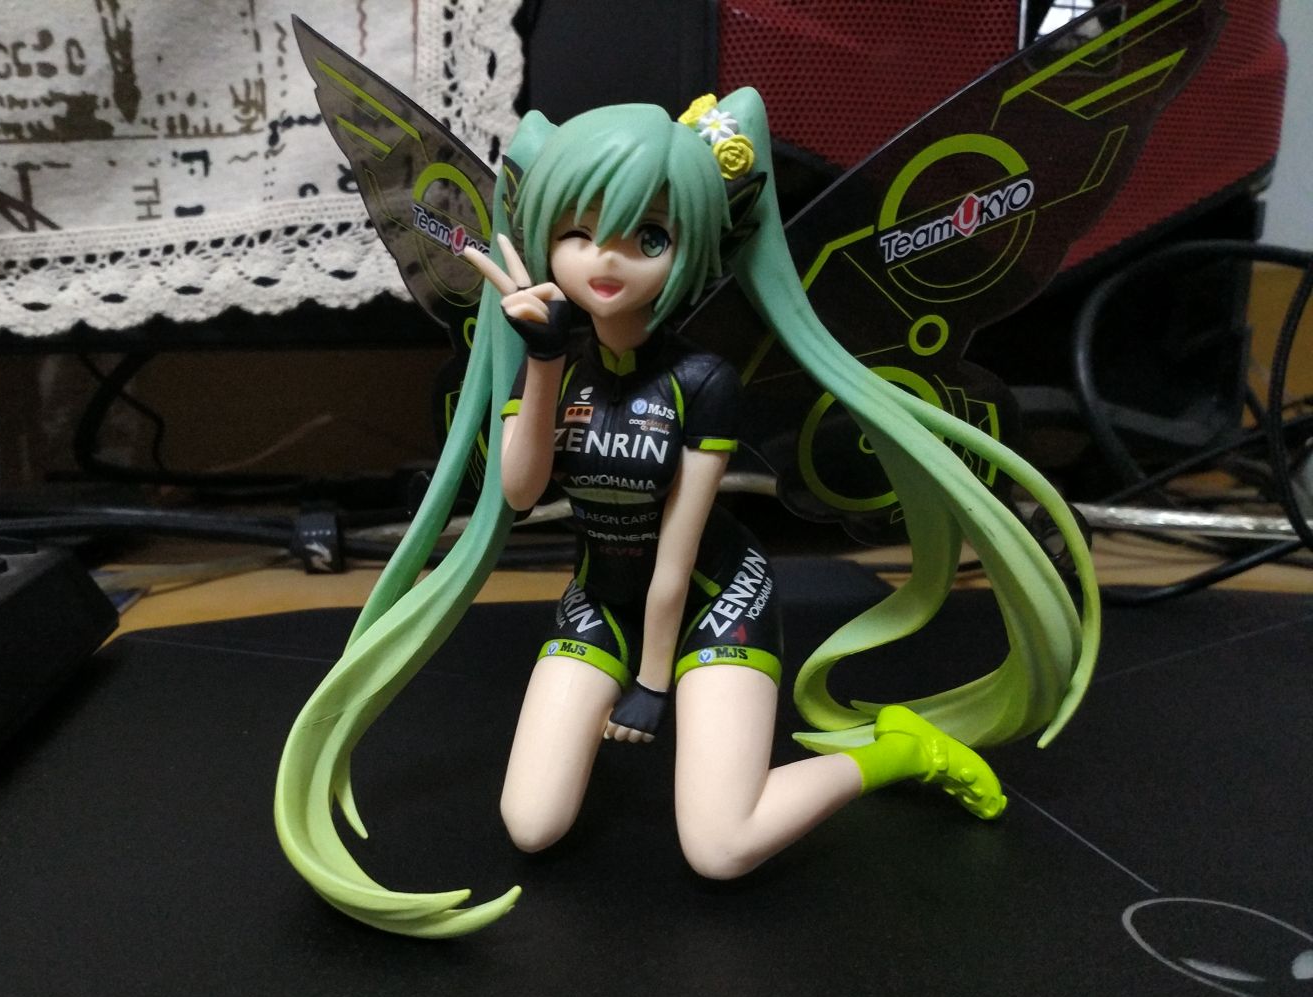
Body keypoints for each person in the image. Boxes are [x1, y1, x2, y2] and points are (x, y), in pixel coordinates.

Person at [275, 89, 1099, 937]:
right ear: (544, 237)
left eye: (649, 237)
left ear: (692, 246)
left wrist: (652, 684)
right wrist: (545, 362)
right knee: (531, 823)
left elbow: (678, 552)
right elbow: (520, 495)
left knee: (722, 846)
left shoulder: (703, 382)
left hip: (714, 598)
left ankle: (897, 750)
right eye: (578, 233)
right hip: (602, 594)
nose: (607, 260)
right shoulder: (553, 363)